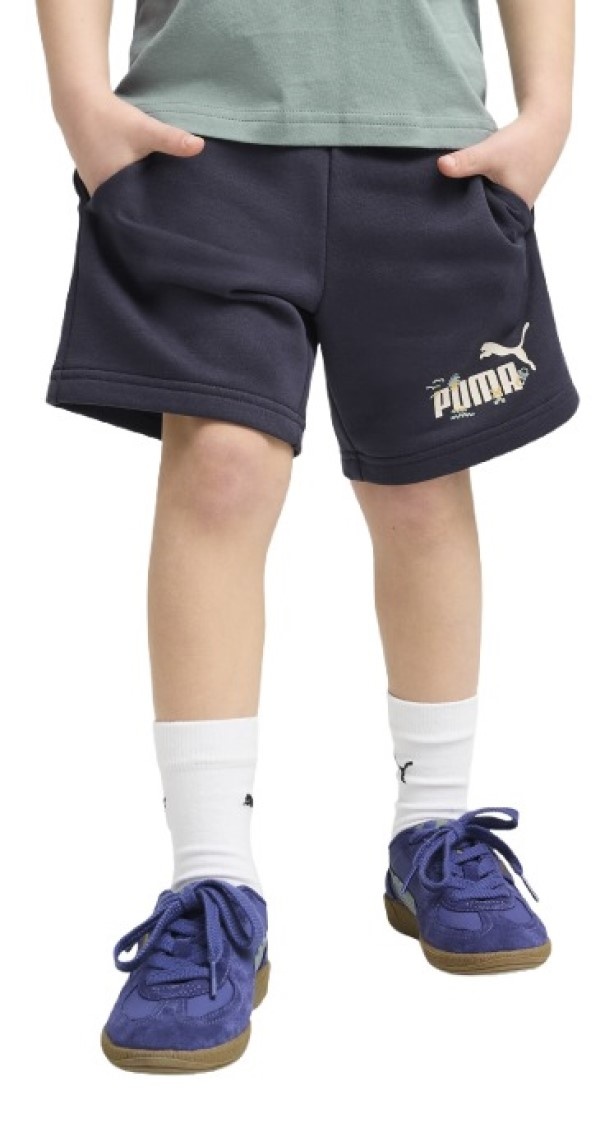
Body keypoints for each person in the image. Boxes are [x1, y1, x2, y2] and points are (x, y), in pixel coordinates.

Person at [37, 0, 578, 1074]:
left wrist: (549, 106)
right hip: (202, 139)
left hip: (427, 144)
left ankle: (434, 827)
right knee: (222, 471)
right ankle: (211, 882)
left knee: (421, 487)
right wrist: (77, 96)